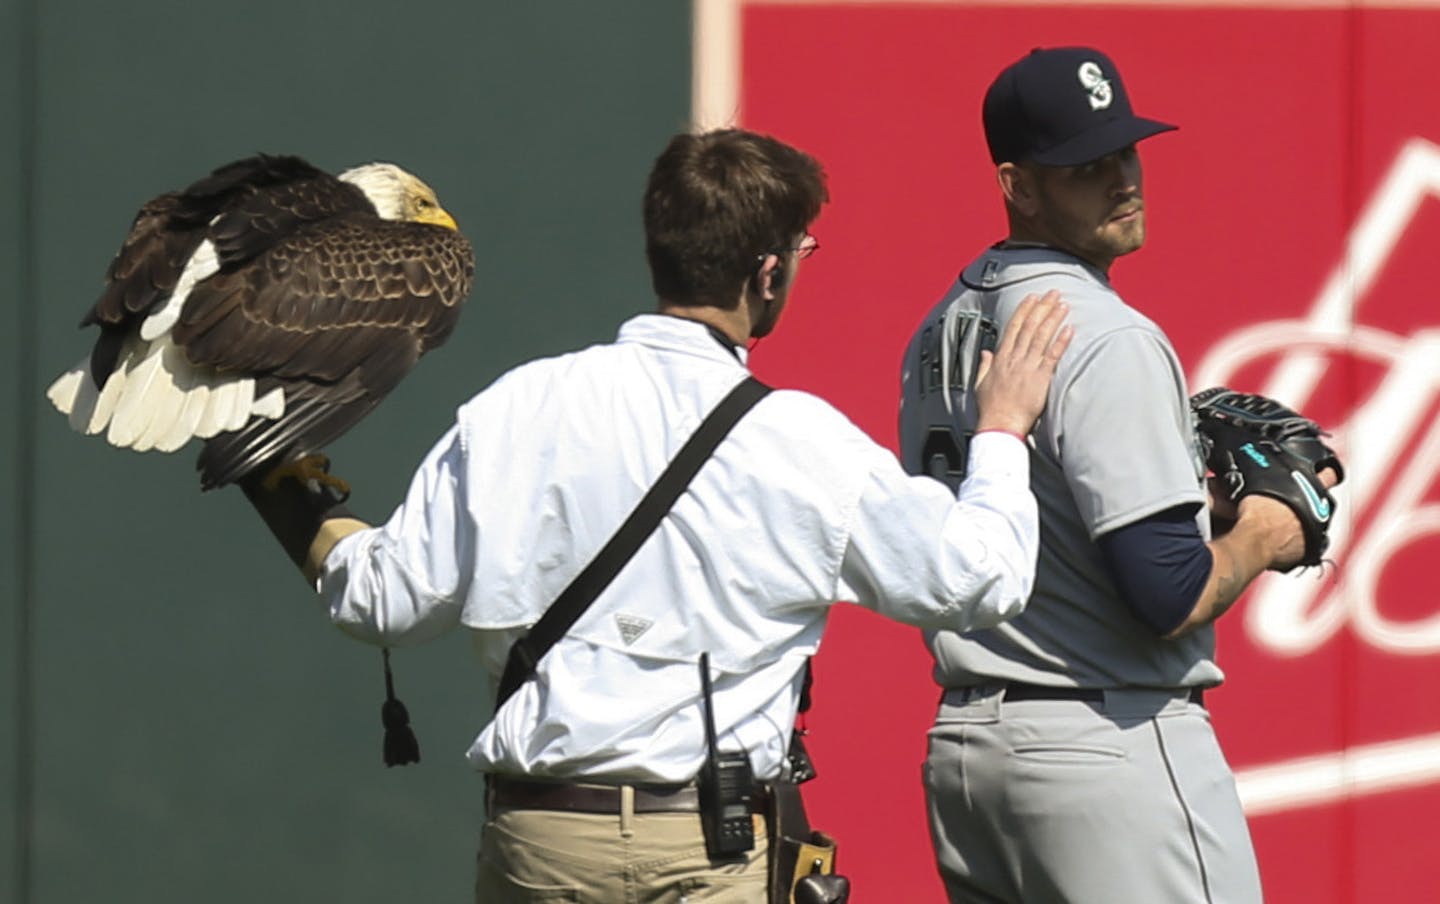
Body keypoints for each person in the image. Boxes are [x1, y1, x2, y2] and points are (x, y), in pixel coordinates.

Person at [244, 127, 1072, 902]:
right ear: (768, 274)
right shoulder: (801, 440)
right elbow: (979, 578)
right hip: (710, 851)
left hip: (542, 839)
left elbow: (380, 599)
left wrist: (274, 476)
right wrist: (1000, 431)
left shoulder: (518, 407)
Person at [898, 47, 1338, 904]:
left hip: (969, 761)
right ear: (1018, 184)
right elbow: (1168, 594)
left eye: (1124, 151)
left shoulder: (939, 325)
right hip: (1105, 747)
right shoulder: (1106, 335)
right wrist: (1263, 532)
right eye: (1082, 166)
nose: (1119, 178)